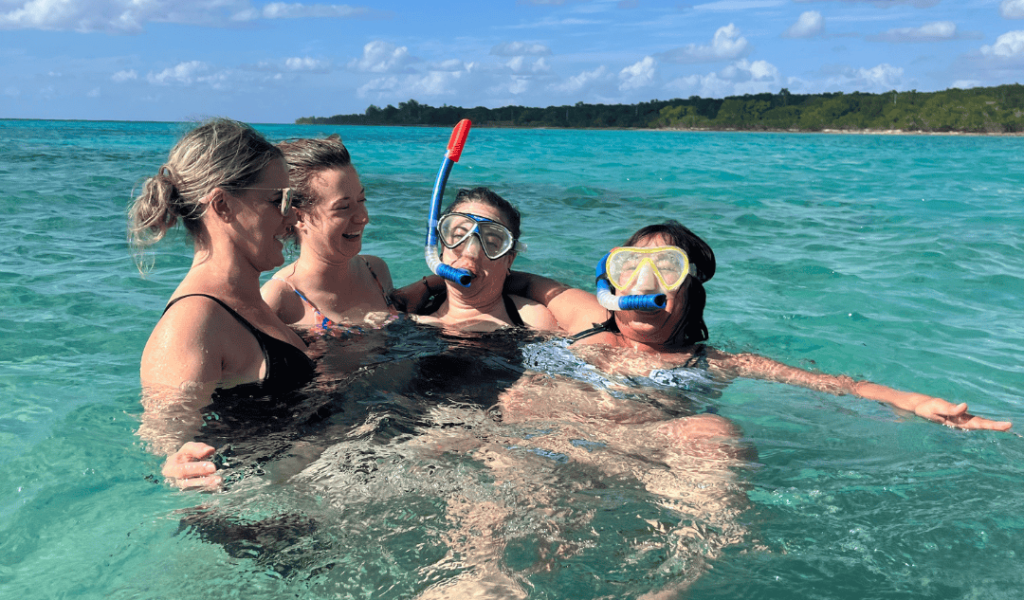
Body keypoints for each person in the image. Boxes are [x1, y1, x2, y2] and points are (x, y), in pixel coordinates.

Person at [511, 220, 1012, 432]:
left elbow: (836, 385)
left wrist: (914, 402)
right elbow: (529, 281)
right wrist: (430, 289)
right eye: (629, 270)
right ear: (609, 285)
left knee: (712, 435)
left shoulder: (717, 363)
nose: (643, 285)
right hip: (551, 440)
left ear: (688, 296)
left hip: (646, 452)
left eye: (665, 272)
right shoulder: (588, 323)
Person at [130, 119, 315, 489]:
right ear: (221, 205)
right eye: (278, 200)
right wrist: (175, 461)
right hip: (261, 529)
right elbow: (164, 443)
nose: (292, 215)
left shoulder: (249, 302)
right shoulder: (192, 321)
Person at [261, 135, 396, 331]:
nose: (363, 218)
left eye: (362, 200)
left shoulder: (376, 271)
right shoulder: (280, 299)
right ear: (297, 217)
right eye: (343, 207)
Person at [416, 186, 560, 332]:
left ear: (509, 260)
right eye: (459, 236)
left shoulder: (532, 322)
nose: (470, 252)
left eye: (490, 243)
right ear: (442, 245)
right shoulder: (412, 315)